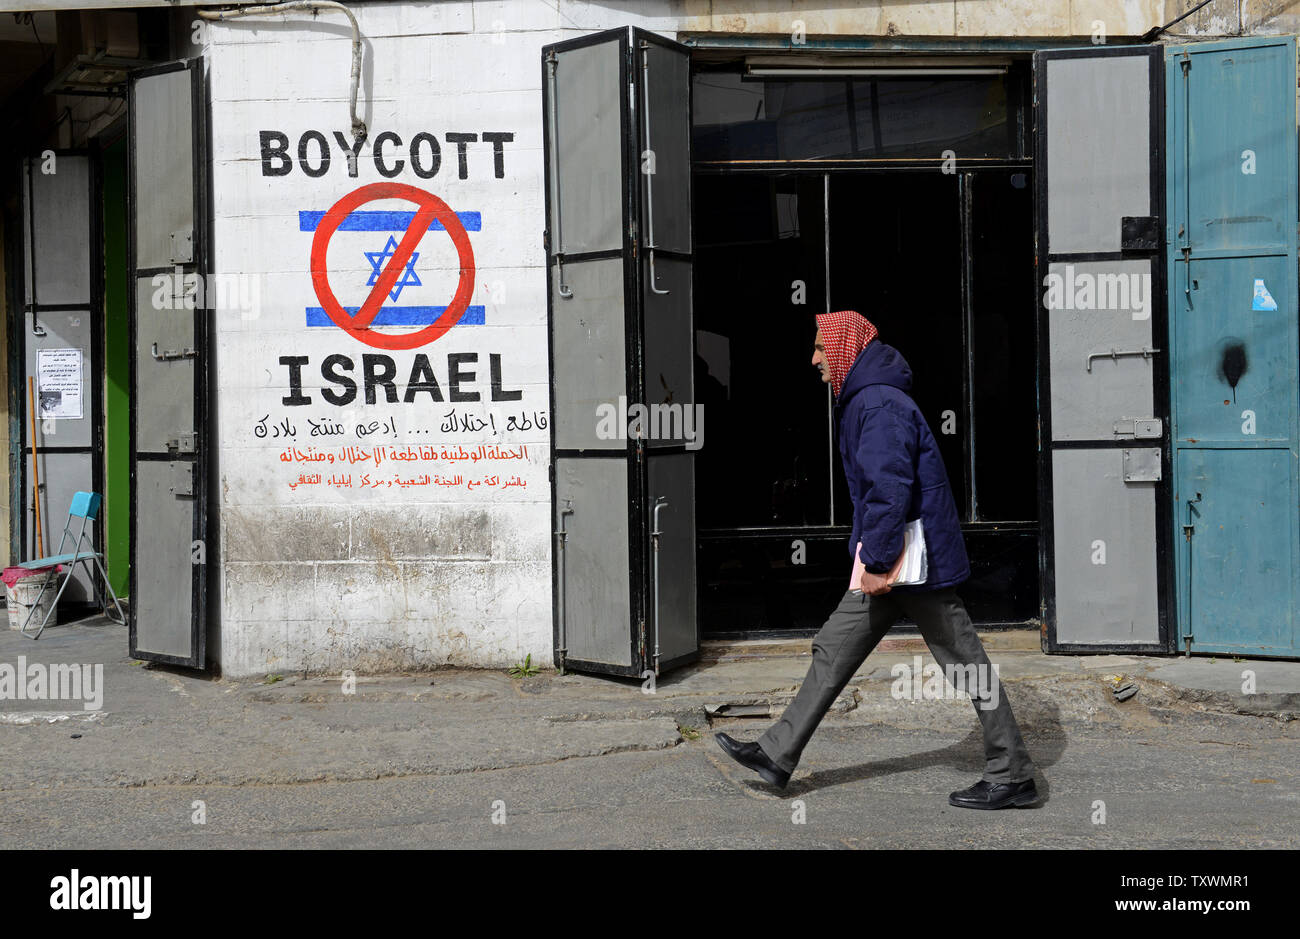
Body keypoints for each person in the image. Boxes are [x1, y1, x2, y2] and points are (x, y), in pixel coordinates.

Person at [715, 310, 1038, 809]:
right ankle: (776, 753)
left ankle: (1012, 773)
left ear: (844, 349)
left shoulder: (877, 403)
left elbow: (889, 490)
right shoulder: (867, 399)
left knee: (966, 663)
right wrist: (869, 557)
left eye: (822, 348)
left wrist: (879, 560)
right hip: (892, 562)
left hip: (911, 566)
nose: (815, 359)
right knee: (834, 646)